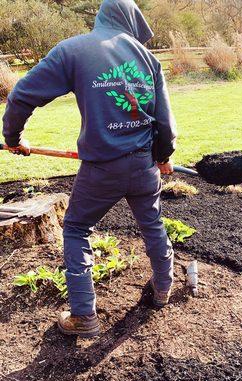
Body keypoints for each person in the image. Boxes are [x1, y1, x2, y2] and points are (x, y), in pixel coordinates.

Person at [2, 0, 177, 338]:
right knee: (152, 224)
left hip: (102, 169)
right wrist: (164, 154)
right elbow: (166, 122)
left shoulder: (74, 50)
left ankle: (84, 317)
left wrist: (13, 136)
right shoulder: (146, 58)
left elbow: (22, 95)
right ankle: (162, 288)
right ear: (132, 19)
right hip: (144, 165)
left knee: (77, 228)